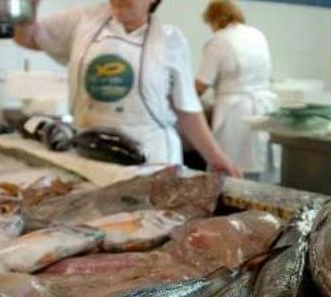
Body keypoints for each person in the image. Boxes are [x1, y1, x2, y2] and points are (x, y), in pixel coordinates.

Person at [14, 0, 242, 177]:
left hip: (151, 164)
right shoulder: (83, 22)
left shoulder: (170, 40)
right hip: (88, 156)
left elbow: (187, 109)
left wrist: (215, 157)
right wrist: (30, 4)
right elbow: (25, 38)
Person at [195, 0, 276, 182]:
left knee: (229, 174)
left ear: (214, 19)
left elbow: (201, 84)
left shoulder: (219, 40)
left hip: (235, 113)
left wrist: (178, 100)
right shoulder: (257, 35)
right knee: (257, 176)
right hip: (263, 110)